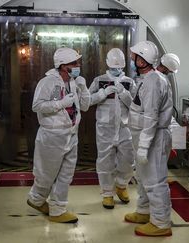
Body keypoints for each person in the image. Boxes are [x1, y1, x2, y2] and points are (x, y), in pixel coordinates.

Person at [27, 47, 91, 223]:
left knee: (66, 174)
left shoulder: (74, 81)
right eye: (74, 63)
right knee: (46, 174)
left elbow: (85, 106)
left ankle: (57, 209)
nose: (78, 66)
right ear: (63, 66)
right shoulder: (47, 82)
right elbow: (37, 106)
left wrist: (83, 88)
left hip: (71, 134)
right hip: (52, 136)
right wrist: (61, 103)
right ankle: (36, 199)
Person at [124, 41, 173, 237]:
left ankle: (161, 223)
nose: (131, 58)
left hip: (153, 137)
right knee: (144, 179)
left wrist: (144, 147)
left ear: (142, 60)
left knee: (155, 180)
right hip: (144, 135)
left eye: (134, 55)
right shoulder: (147, 79)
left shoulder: (154, 81)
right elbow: (139, 108)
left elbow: (151, 117)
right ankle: (144, 212)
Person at [88, 48, 135, 209]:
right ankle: (107, 193)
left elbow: (136, 105)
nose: (117, 70)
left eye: (120, 67)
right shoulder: (99, 80)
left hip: (124, 128)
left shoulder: (129, 82)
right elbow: (87, 101)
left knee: (129, 159)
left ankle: (121, 185)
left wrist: (124, 94)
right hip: (104, 129)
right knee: (104, 162)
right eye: (114, 68)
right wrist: (102, 93)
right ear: (108, 64)